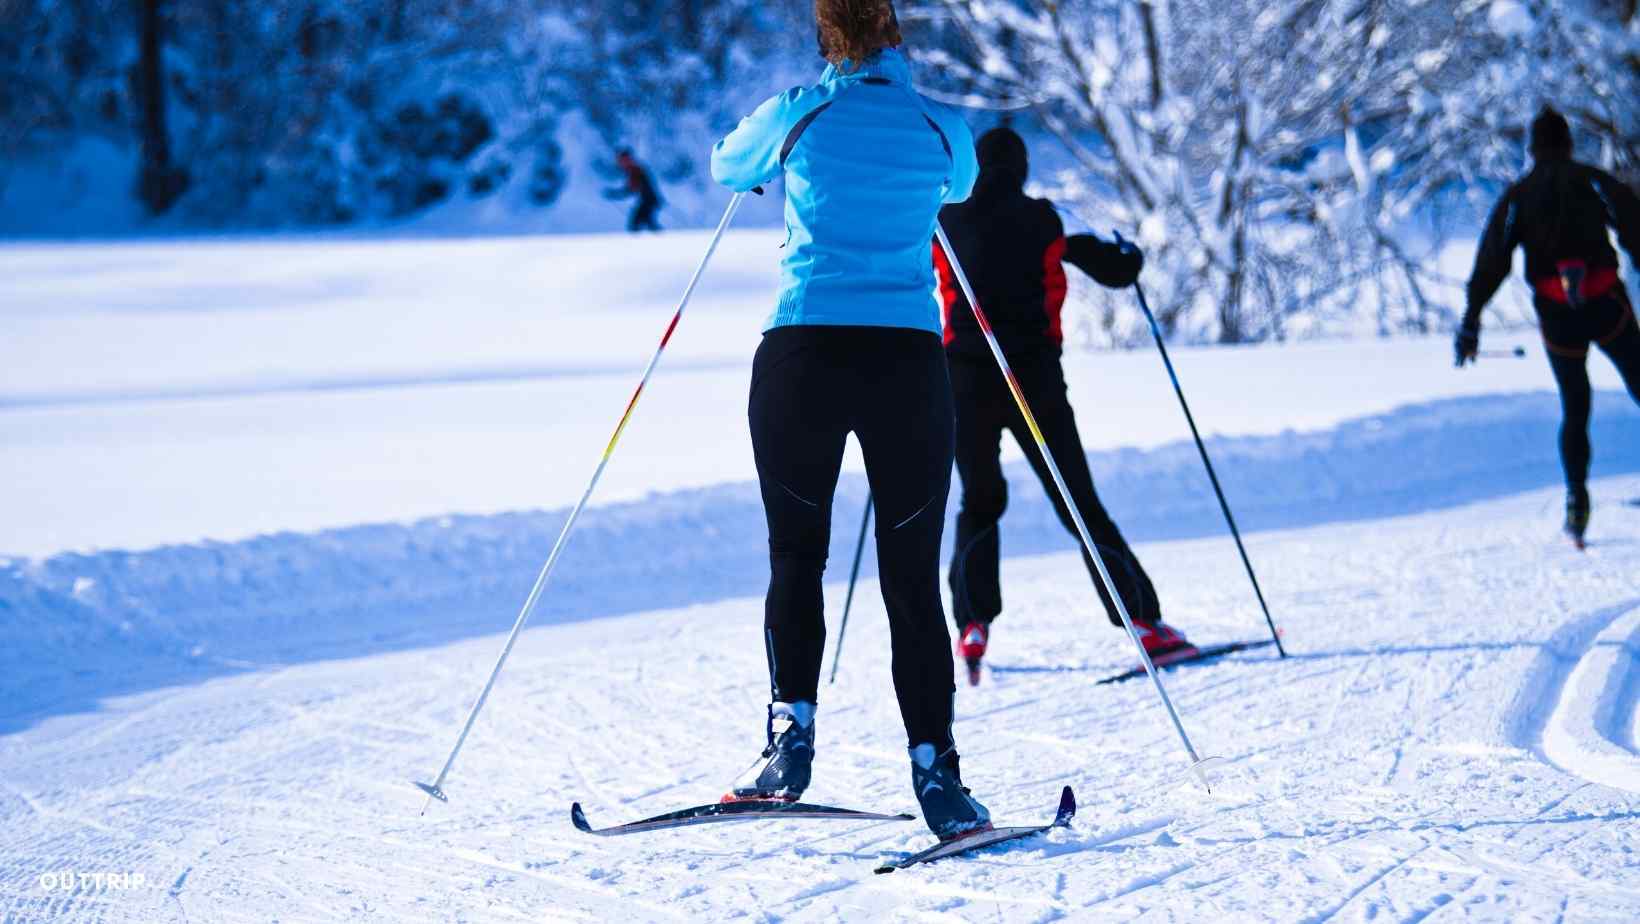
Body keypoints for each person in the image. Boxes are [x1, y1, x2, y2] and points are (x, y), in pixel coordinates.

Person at [710, 0, 990, 840]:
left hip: (804, 356)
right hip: (906, 362)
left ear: (825, 40)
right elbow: (963, 188)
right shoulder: (941, 126)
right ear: (897, 37)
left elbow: (729, 165)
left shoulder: (799, 111)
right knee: (910, 574)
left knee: (797, 555)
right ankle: (936, 772)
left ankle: (787, 741)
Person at [933, 126, 1197, 683]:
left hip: (964, 383)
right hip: (1034, 381)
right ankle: (1143, 624)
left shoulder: (945, 219)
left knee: (979, 500)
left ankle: (972, 623)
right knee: (1077, 500)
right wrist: (1128, 251)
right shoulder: (1046, 219)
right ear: (1021, 170)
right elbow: (1119, 270)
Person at [1460, 106, 1640, 548]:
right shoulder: (1593, 181)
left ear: (1532, 149)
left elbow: (1492, 260)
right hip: (1606, 306)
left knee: (1575, 409)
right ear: (1569, 143)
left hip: (1559, 319)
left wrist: (1471, 320)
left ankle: (1577, 505)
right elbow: (1636, 228)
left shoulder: (1518, 196)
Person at [605, 148, 662, 232]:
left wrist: (614, 194)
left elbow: (630, 189)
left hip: (649, 201)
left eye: (620, 160)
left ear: (627, 159)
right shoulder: (635, 168)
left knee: (636, 224)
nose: (619, 163)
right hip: (650, 201)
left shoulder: (634, 169)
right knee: (646, 223)